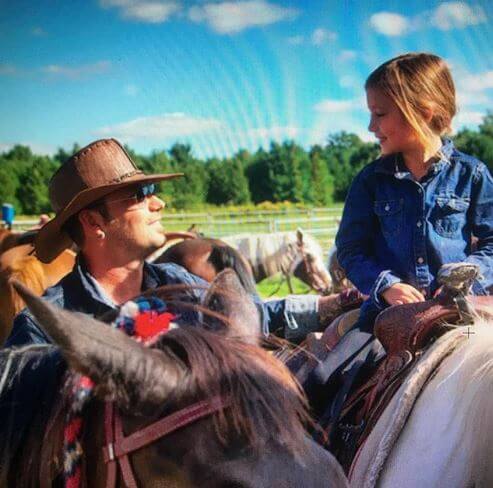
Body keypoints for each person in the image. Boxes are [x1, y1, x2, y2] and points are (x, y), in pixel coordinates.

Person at [5, 138, 347, 348]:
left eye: (151, 191)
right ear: (94, 222)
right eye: (140, 195)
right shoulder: (44, 329)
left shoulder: (178, 283)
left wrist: (331, 305)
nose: (159, 203)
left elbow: (246, 314)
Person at [313, 52, 493, 441]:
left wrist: (465, 281)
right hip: (382, 315)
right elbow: (351, 249)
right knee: (321, 382)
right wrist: (386, 284)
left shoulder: (473, 175)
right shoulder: (370, 181)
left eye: (380, 114)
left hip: (458, 310)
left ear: (423, 112)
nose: (370, 126)